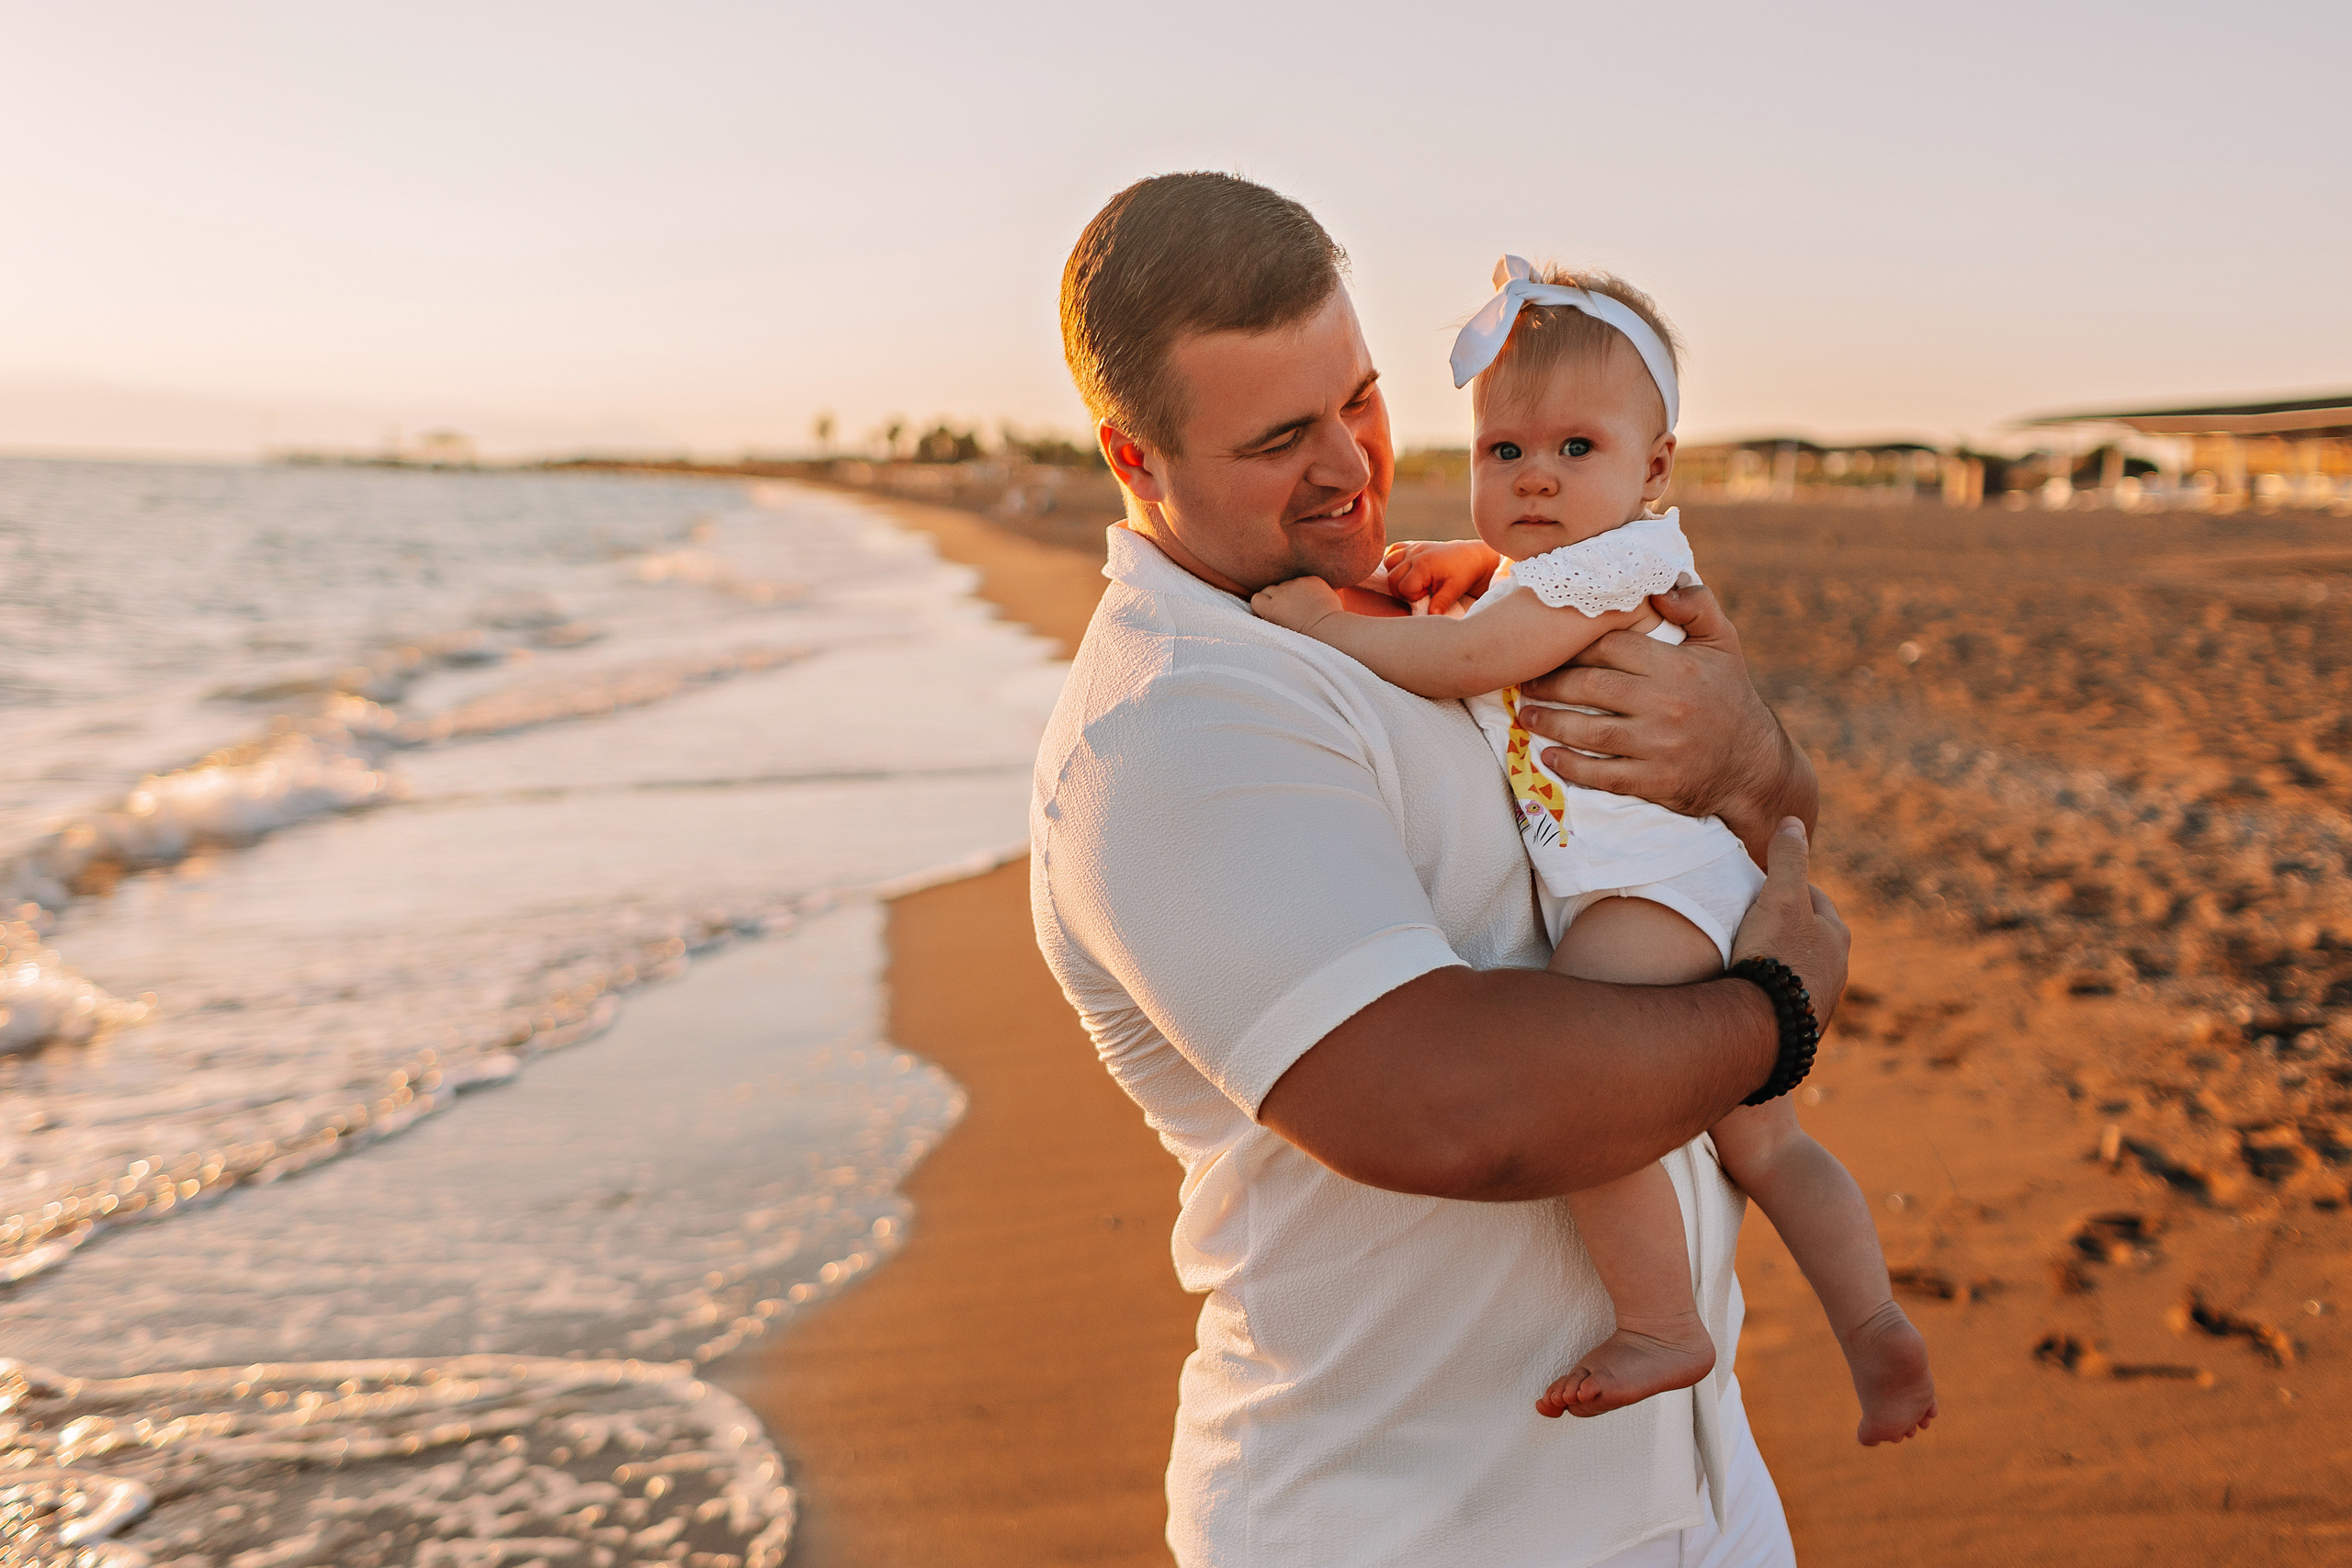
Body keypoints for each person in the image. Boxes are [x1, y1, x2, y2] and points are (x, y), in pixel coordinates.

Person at [1032, 172, 1847, 1567]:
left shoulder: (1449, 594)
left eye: (1357, 399)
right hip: (1417, 1519)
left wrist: (1751, 756)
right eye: (1279, 438)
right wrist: (1779, 1013)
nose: (1349, 467)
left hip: (1691, 1485)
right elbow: (1448, 1108)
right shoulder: (1172, 725)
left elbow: (1759, 821)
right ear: (1135, 456)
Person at [1250, 256, 1937, 1440]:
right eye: (1503, 451)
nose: (1535, 478)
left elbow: (1474, 659)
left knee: (1585, 1093)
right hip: (1685, 878)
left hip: (1649, 895)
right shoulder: (1581, 566)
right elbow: (1516, 600)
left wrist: (1326, 624)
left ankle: (1663, 1321)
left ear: (1654, 468)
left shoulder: (1622, 566)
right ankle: (1875, 1325)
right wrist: (1467, 567)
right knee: (1766, 1139)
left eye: (1577, 449)